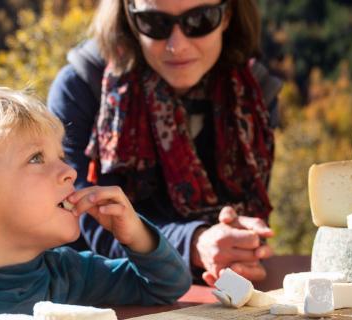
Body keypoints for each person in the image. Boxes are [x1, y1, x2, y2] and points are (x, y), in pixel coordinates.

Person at [0, 87, 191, 320]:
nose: (70, 172)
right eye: (36, 158)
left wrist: (135, 234)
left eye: (61, 157)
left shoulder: (69, 273)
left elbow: (165, 287)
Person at [48, 0, 283, 286]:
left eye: (200, 20)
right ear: (129, 18)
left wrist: (241, 243)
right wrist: (193, 243)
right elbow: (82, 218)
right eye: (155, 23)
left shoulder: (253, 97)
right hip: (105, 293)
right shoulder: (82, 88)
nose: (177, 45)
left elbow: (250, 207)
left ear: (227, 15)